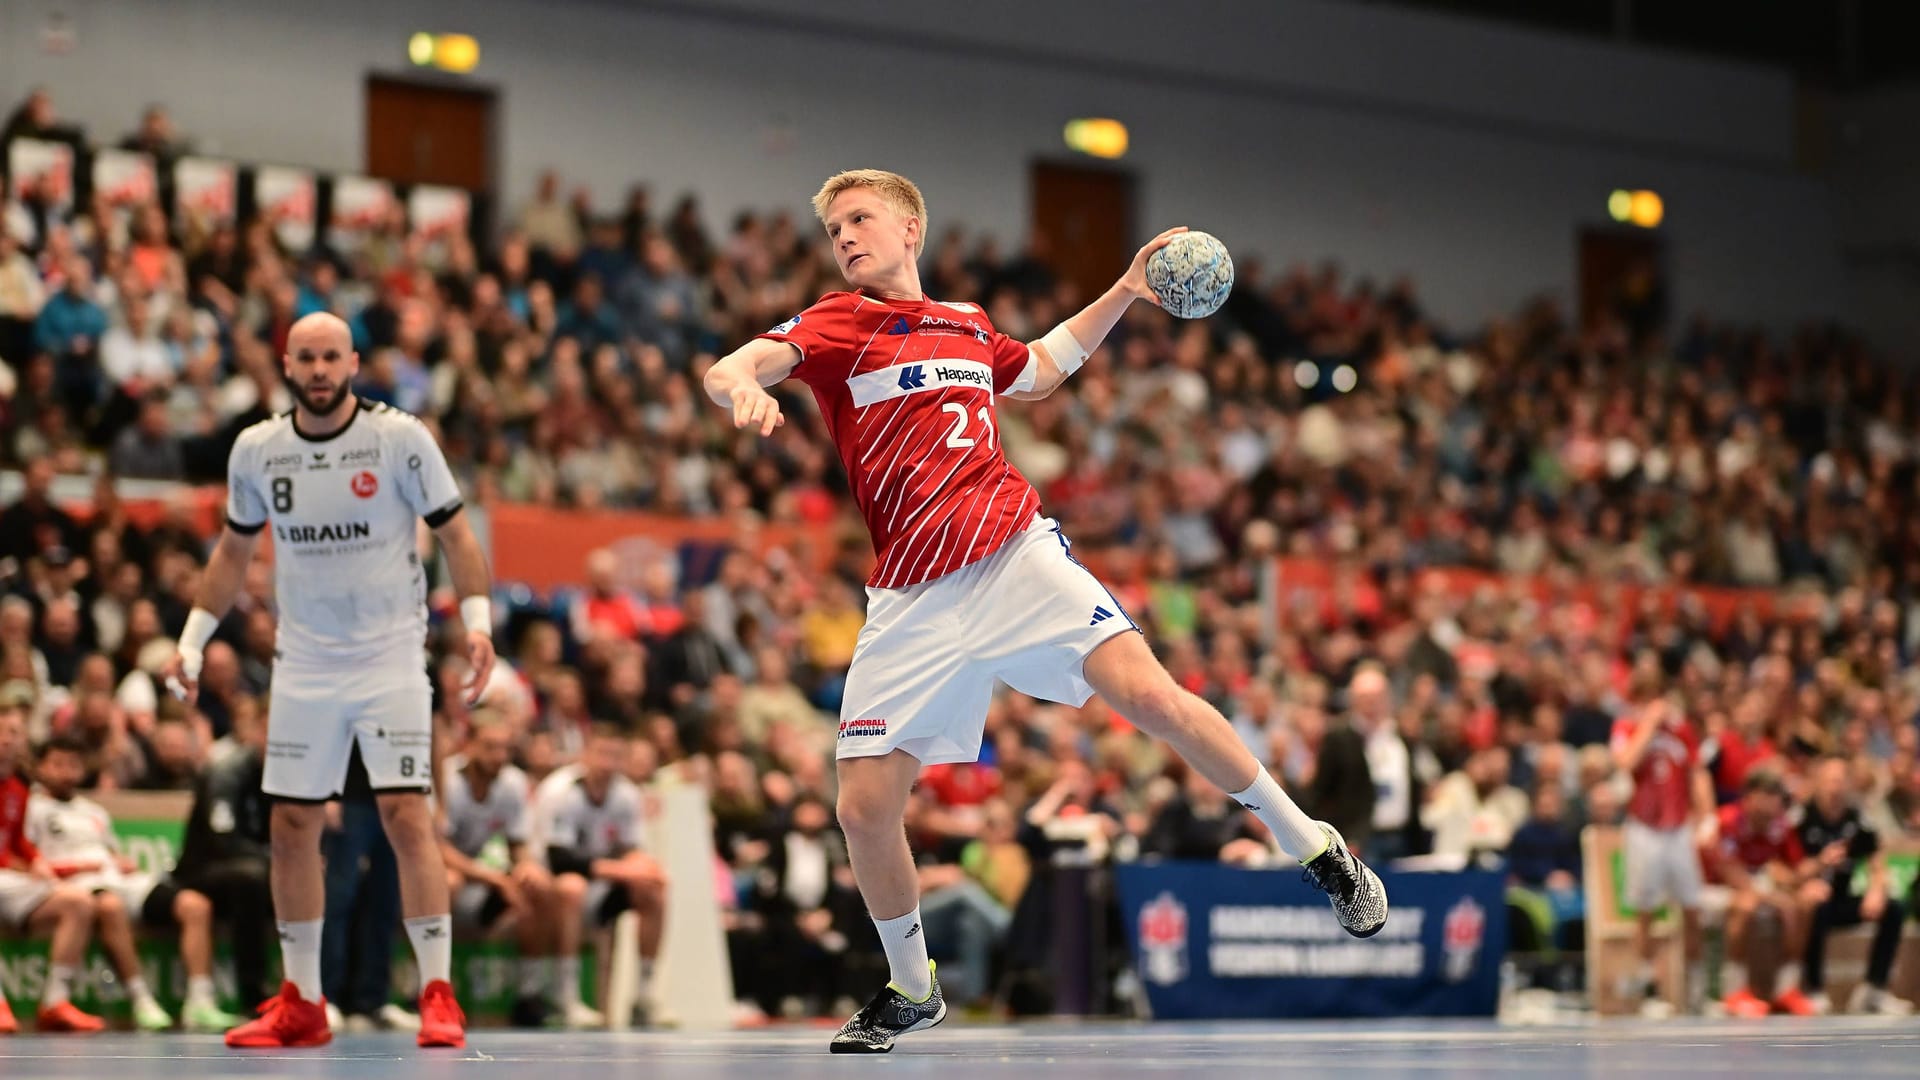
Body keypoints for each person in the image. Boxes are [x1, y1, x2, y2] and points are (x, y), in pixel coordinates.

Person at [701, 169, 1384, 1054]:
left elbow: (1044, 368)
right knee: (865, 809)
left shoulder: (968, 325)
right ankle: (913, 987)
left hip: (1014, 554)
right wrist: (740, 389)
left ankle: (1318, 848)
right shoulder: (840, 322)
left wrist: (1129, 288)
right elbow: (736, 363)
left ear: (911, 230)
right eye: (835, 228)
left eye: (860, 220)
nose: (845, 237)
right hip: (911, 594)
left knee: (1154, 698)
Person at [161, 311, 496, 1050]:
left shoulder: (400, 437)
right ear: (287, 365)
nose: (318, 370)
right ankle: (303, 1001)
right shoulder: (258, 449)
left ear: (352, 363)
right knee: (291, 826)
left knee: (407, 815)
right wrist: (191, 643)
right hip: (305, 662)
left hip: (390, 657)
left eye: (331, 358)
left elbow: (457, 534)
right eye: (305, 358)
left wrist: (477, 623)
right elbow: (229, 557)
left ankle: (438, 993)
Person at [25, 735, 239, 1032]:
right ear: (40, 768)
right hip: (76, 884)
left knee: (194, 904)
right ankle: (142, 1000)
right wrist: (76, 867)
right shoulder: (31, 808)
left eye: (73, 765)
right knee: (110, 906)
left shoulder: (93, 811)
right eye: (57, 764)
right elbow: (25, 861)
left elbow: (110, 851)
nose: (66, 772)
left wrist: (120, 861)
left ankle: (200, 1001)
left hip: (117, 878)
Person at [530, 724, 664, 1029]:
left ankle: (644, 997)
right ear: (585, 754)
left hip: (601, 887)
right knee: (572, 887)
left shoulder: (626, 793)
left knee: (652, 890)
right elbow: (559, 859)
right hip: (551, 885)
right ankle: (568, 998)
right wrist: (623, 869)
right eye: (602, 754)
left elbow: (630, 848)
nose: (608, 763)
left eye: (616, 756)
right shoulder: (560, 790)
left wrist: (645, 867)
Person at [440, 711, 555, 1027]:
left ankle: (529, 994)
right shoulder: (446, 781)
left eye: (505, 748)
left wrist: (525, 867)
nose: (499, 756)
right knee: (446, 881)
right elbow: (437, 849)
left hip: (481, 883)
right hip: (436, 880)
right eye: (490, 747)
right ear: (469, 746)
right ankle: (432, 989)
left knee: (539, 884)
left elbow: (517, 842)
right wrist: (494, 878)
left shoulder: (513, 783)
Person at [0, 703, 103, 1034]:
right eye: (1, 731)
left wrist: (35, 861)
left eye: (14, 732)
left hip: (9, 882)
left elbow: (16, 841)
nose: (6, 739)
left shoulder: (18, 786)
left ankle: (55, 1003)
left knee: (79, 902)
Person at [1610, 688, 1711, 1017]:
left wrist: (1707, 815)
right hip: (1644, 829)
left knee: (1693, 908)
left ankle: (1696, 992)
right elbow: (1626, 762)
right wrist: (1649, 725)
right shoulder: (1626, 728)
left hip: (1678, 828)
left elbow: (1697, 772)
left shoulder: (1682, 731)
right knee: (1646, 911)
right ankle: (1649, 990)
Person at [1796, 755, 1913, 1015]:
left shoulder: (1856, 819)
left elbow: (1877, 857)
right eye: (1830, 781)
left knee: (1893, 908)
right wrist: (1819, 864)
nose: (1835, 788)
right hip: (1811, 901)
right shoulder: (1803, 818)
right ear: (1818, 783)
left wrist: (1876, 889)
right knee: (1817, 905)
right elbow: (1788, 868)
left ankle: (1874, 989)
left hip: (1843, 900)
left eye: (1840, 781)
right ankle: (1812, 989)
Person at [1700, 770, 1821, 1017]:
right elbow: (1730, 873)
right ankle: (1733, 991)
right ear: (1749, 798)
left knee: (1805, 902)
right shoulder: (1725, 821)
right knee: (1747, 904)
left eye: (1774, 798)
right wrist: (1771, 894)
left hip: (1759, 888)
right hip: (1712, 889)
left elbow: (1794, 869)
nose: (1770, 806)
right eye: (1765, 797)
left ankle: (1787, 988)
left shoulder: (1780, 825)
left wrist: (1816, 870)